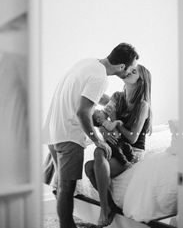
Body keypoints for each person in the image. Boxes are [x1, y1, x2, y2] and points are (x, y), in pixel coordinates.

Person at [42, 43, 139, 228]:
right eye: (130, 69)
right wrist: (97, 141)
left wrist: (112, 101)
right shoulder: (100, 78)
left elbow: (91, 94)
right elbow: (82, 113)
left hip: (53, 129)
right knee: (67, 188)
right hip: (69, 135)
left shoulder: (89, 63)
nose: (130, 72)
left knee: (62, 186)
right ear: (121, 67)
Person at [85, 64, 152, 227]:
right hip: (116, 147)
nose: (129, 71)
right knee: (90, 165)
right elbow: (101, 121)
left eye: (134, 71)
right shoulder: (116, 97)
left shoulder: (143, 105)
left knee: (94, 164)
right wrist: (105, 130)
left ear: (141, 81)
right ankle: (108, 206)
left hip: (132, 151)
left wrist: (117, 124)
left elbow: (133, 139)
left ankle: (105, 209)